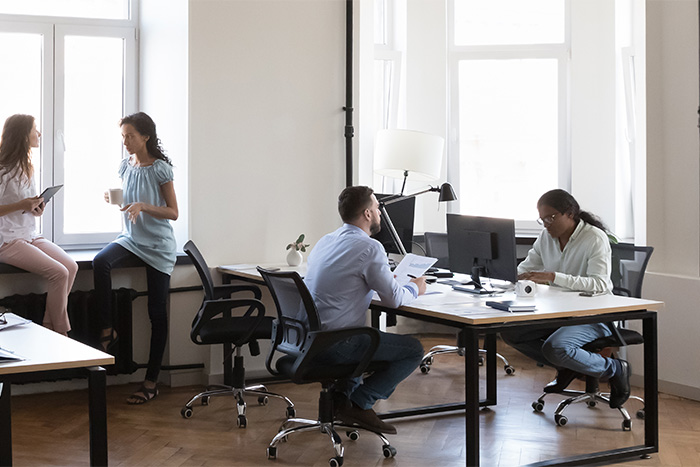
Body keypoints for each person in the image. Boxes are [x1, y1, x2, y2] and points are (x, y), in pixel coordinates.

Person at [303, 185, 427, 434]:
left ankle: (342, 399)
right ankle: (360, 403)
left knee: (362, 334)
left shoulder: (325, 241)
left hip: (308, 340)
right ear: (368, 214)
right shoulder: (370, 248)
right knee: (413, 350)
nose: (380, 213)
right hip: (337, 344)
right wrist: (415, 288)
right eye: (378, 208)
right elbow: (393, 300)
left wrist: (384, 278)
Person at [501, 189, 630, 408]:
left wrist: (553, 277)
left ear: (570, 213)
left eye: (551, 218)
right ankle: (569, 367)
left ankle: (614, 369)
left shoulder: (594, 238)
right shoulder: (546, 238)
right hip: (559, 312)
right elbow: (526, 268)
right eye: (542, 220)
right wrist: (513, 276)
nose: (546, 225)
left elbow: (600, 284)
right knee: (511, 332)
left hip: (595, 315)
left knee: (556, 348)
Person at [93, 112, 178, 405]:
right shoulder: (125, 166)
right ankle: (107, 327)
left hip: (157, 246)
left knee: (157, 313)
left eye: (130, 136)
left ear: (145, 137)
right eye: (123, 136)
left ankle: (151, 382)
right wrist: (112, 198)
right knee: (100, 262)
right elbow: (128, 201)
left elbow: (173, 212)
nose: (125, 142)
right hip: (131, 240)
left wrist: (144, 206)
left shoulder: (160, 169)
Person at [0, 114, 78, 336]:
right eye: (36, 129)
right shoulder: (2, 170)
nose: (40, 134)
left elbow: (22, 206)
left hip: (28, 233)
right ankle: (62, 333)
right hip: (7, 239)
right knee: (59, 273)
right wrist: (21, 204)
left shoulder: (27, 167)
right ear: (23, 135)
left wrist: (35, 208)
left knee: (71, 267)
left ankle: (48, 327)